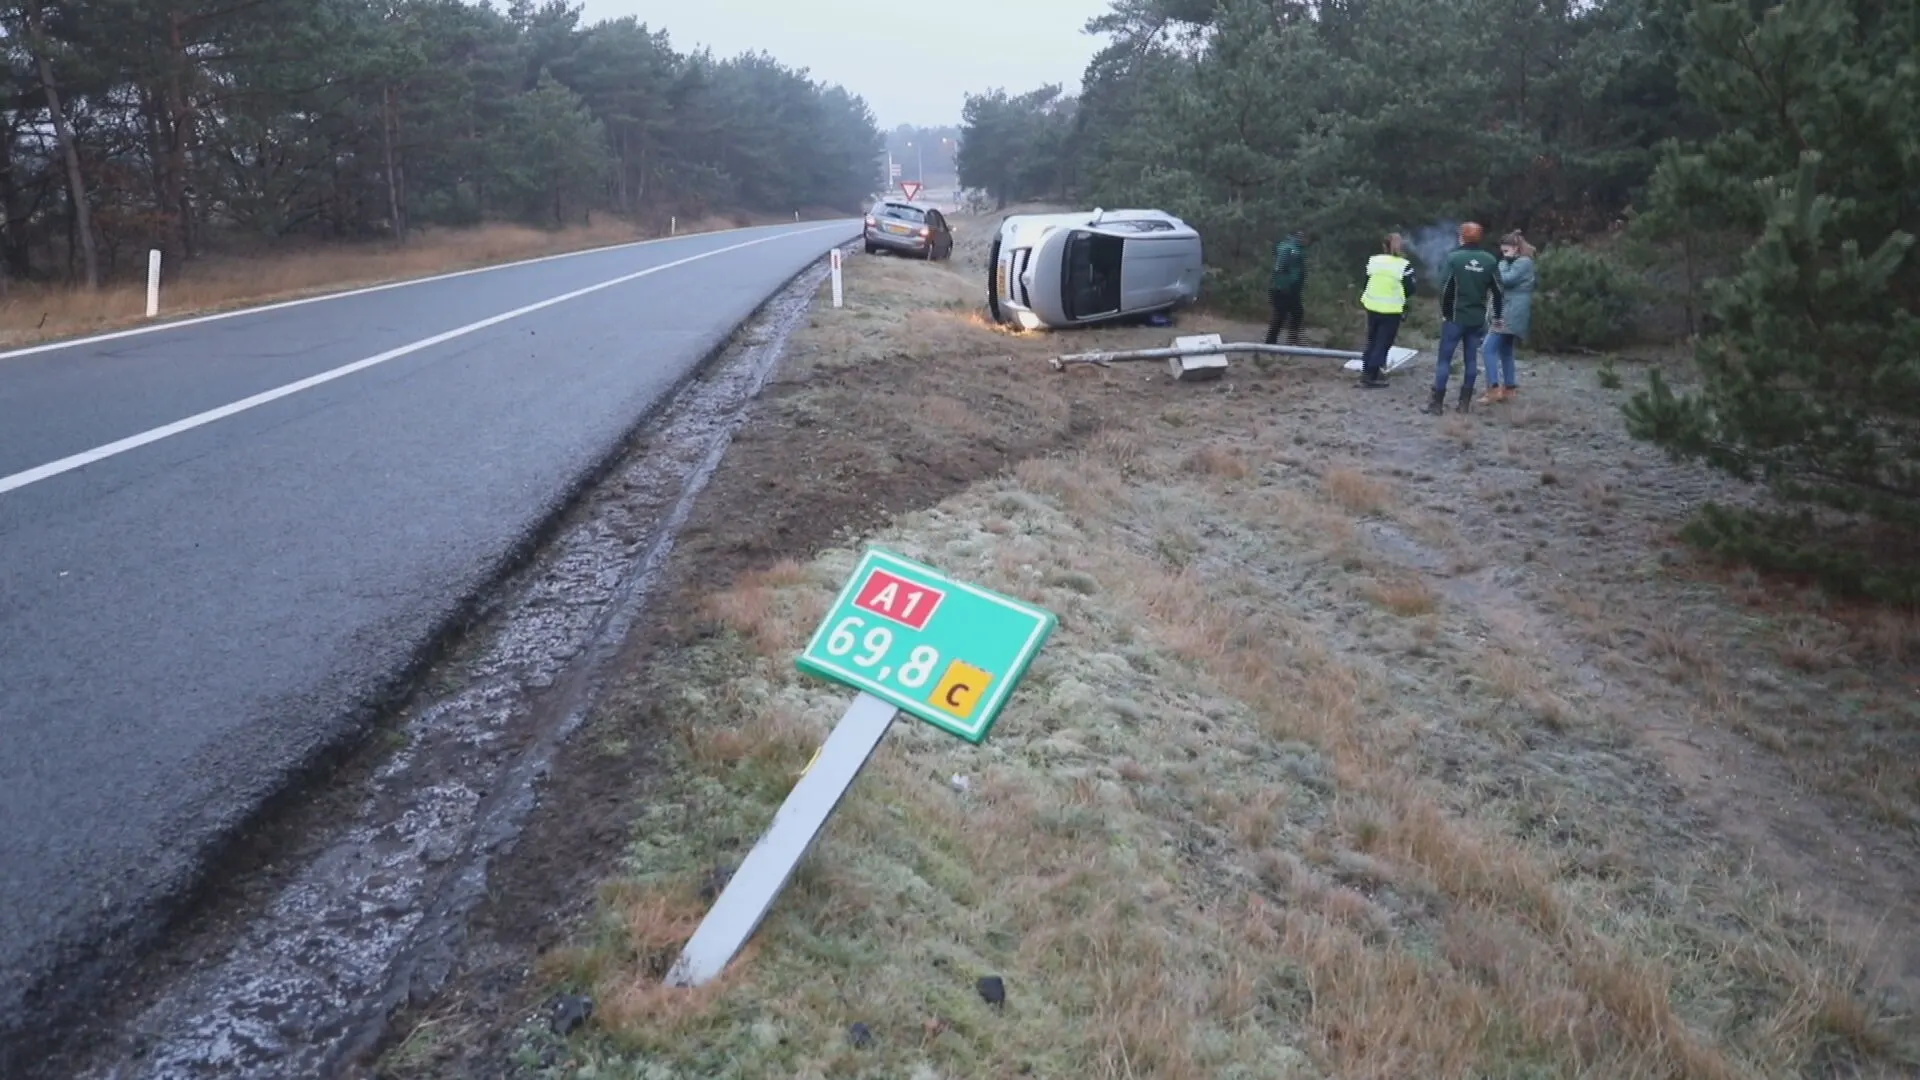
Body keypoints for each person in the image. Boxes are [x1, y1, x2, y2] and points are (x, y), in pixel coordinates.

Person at [1425, 221, 1505, 415]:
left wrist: (1445, 312)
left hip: (1454, 318)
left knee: (1444, 360)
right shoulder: (1489, 261)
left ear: (1461, 237)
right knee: (1471, 360)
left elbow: (1444, 289)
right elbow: (1498, 291)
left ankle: (1437, 404)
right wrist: (1498, 316)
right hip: (1477, 319)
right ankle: (1464, 404)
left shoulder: (1454, 259)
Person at [1479, 231, 1537, 403]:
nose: (1503, 255)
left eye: (1506, 252)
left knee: (1487, 349)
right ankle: (1509, 387)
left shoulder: (1523, 263)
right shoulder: (1514, 263)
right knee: (1505, 350)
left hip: (1509, 313)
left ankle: (1494, 388)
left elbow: (1504, 279)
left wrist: (1500, 265)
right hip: (1511, 311)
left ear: (1516, 249)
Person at [1356, 232, 1418, 388]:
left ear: (1383, 246)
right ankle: (1372, 375)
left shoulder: (1374, 260)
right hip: (1391, 309)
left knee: (1372, 339)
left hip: (1372, 306)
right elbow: (1410, 288)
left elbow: (1365, 281)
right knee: (1383, 342)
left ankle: (1367, 370)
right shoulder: (1403, 265)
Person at [1265, 228, 1311, 347]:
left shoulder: (1296, 249)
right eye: (1303, 237)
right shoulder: (1289, 249)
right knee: (1280, 315)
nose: (1305, 240)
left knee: (1297, 312)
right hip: (1283, 288)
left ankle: (1292, 339)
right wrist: (1283, 285)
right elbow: (1280, 268)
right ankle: (1270, 343)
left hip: (1291, 288)